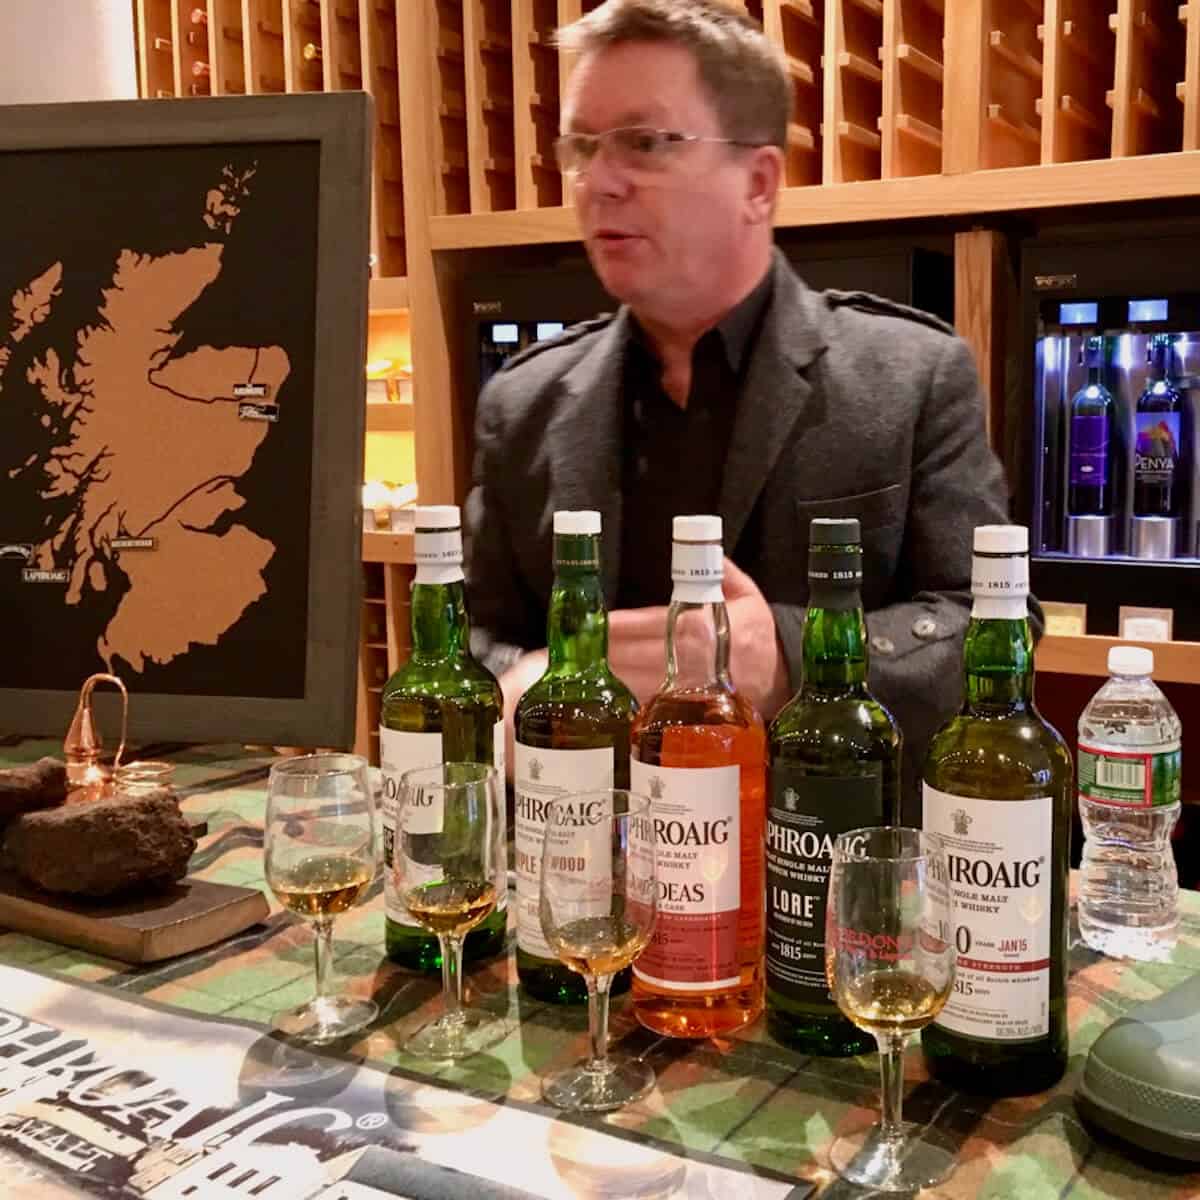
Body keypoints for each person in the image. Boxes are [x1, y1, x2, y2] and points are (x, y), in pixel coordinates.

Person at [464, 0, 1018, 822]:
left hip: (827, 878)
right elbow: (471, 643)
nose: (599, 180)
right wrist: (511, 687)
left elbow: (992, 619)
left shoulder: (912, 375)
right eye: (583, 145)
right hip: (587, 888)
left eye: (647, 142)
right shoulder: (521, 402)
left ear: (758, 182)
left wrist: (792, 656)